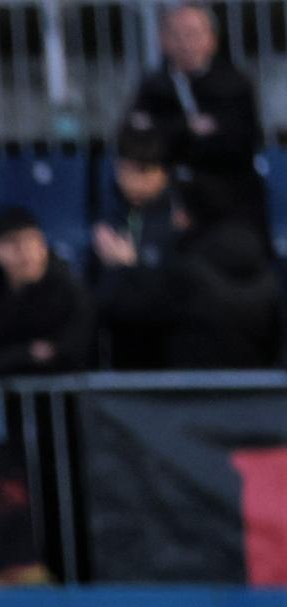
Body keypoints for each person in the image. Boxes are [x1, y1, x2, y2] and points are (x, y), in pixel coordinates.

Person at [94, 179, 282, 371]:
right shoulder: (270, 276)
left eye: (178, 210)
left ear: (187, 217)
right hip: (257, 397)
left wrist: (124, 268)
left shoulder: (183, 276)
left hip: (188, 397)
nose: (175, 218)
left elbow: (118, 309)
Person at [120, 2, 269, 240]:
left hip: (229, 207)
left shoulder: (235, 86)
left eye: (193, 34)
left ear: (211, 39)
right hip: (164, 201)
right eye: (176, 35)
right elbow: (135, 142)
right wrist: (188, 128)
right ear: (163, 40)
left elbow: (239, 146)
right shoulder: (154, 87)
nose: (185, 43)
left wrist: (166, 132)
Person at [0, 208, 94, 376]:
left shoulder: (69, 289)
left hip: (70, 398)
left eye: (31, 241)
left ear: (43, 246)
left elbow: (80, 348)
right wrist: (27, 354)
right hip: (10, 399)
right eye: (13, 243)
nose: (25, 251)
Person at [93, 128, 184, 281]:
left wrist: (131, 267)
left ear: (164, 173)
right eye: (123, 169)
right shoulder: (109, 205)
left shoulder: (179, 215)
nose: (130, 182)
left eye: (142, 171)